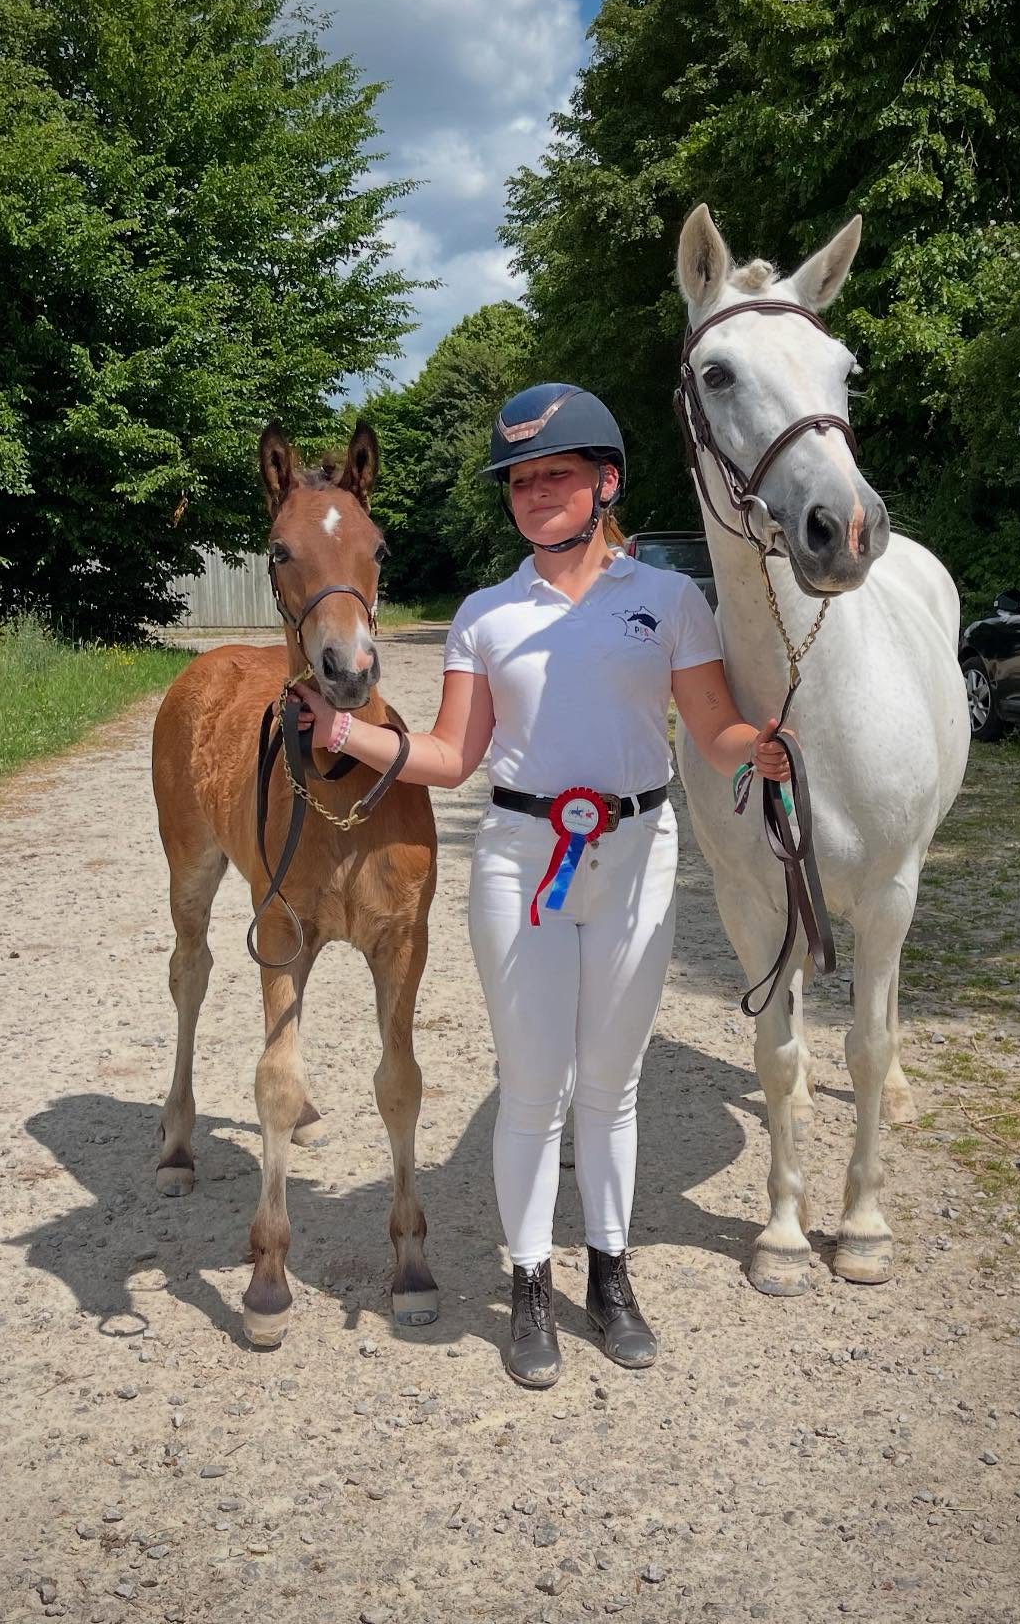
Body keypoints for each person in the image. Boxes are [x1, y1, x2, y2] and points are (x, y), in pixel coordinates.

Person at [292, 384, 790, 1388]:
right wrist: (345, 733)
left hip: (638, 856)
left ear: (605, 482)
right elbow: (451, 751)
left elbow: (711, 728)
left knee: (612, 1084)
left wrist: (764, 746)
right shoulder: (486, 614)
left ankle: (610, 1275)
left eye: (554, 474)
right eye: (520, 479)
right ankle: (527, 1283)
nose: (533, 493)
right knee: (531, 1088)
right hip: (524, 861)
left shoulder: (669, 600)